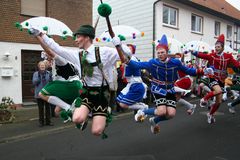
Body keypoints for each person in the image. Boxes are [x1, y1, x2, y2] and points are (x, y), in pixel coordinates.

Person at [30, 24, 126, 137]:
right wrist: (40, 34)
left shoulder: (104, 52)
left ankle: (104, 112)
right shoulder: (77, 55)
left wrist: (119, 44)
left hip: (102, 93)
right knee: (76, 118)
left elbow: (125, 56)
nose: (75, 40)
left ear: (87, 37)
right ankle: (89, 112)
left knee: (96, 131)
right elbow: (57, 48)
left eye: (78, 37)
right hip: (86, 92)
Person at [117, 35, 203, 134]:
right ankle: (143, 111)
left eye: (162, 52)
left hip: (170, 89)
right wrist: (126, 60)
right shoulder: (153, 62)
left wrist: (199, 71)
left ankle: (154, 121)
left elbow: (187, 70)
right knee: (161, 111)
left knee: (171, 114)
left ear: (167, 52)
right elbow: (137, 65)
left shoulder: (175, 62)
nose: (160, 54)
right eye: (158, 53)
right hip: (158, 88)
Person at [191, 34, 240, 124]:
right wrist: (194, 52)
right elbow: (203, 55)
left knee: (219, 101)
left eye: (218, 47)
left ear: (222, 47)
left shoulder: (228, 56)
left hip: (222, 80)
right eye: (216, 46)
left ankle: (210, 114)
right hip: (213, 77)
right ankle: (204, 99)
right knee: (217, 90)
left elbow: (236, 64)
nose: (216, 48)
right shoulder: (212, 55)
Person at [116, 44, 148, 112]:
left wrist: (118, 44)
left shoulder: (132, 58)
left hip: (136, 84)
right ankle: (138, 105)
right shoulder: (127, 59)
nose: (128, 50)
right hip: (130, 84)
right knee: (118, 100)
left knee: (123, 105)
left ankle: (143, 107)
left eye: (130, 49)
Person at [32, 61, 53, 127]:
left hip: (47, 93)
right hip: (39, 94)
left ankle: (48, 121)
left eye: (43, 65)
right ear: (39, 66)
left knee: (48, 108)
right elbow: (34, 82)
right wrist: (38, 77)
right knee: (41, 109)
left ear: (45, 66)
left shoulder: (49, 73)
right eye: (41, 65)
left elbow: (51, 82)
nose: (42, 66)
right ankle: (41, 122)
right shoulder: (36, 74)